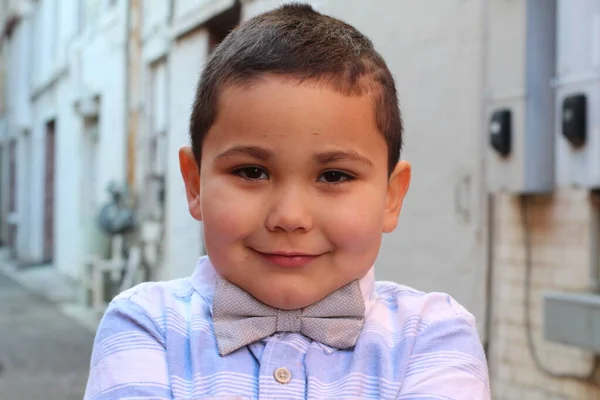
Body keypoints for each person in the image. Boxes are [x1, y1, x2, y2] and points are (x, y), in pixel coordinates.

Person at [84, 3, 490, 399]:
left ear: (391, 196)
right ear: (195, 186)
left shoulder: (435, 335)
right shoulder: (144, 323)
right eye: (251, 172)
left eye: (334, 176)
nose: (290, 217)